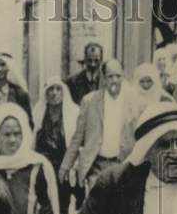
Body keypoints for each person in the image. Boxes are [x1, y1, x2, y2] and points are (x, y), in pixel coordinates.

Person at [58, 59, 137, 197]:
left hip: (122, 164)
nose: (114, 81)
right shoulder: (90, 101)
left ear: (123, 77)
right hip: (96, 165)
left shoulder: (132, 102)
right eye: (110, 76)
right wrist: (66, 165)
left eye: (118, 76)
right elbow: (78, 137)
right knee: (97, 209)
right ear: (104, 78)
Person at [33, 76, 80, 214]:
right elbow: (32, 141)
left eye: (58, 89)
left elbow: (77, 142)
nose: (54, 93)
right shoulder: (38, 113)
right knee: (45, 205)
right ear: (45, 94)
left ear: (63, 92)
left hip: (63, 167)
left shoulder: (73, 113)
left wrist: (72, 167)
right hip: (43, 167)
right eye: (50, 90)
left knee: (62, 205)